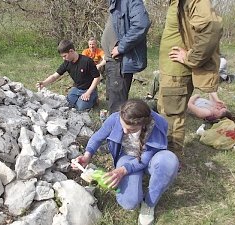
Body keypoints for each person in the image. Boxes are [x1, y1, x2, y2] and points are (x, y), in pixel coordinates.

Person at [71, 99, 179, 225]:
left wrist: (121, 171)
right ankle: (135, 192)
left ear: (143, 124)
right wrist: (87, 156)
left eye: (132, 130)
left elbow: (144, 159)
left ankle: (149, 203)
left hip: (152, 160)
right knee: (129, 202)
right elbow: (97, 137)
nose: (125, 132)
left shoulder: (157, 124)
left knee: (169, 161)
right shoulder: (115, 118)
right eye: (123, 127)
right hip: (127, 156)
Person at [157, 0, 223, 153]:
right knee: (166, 112)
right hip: (170, 71)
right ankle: (165, 155)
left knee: (172, 117)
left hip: (177, 73)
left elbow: (212, 28)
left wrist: (190, 58)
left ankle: (171, 158)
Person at [101, 0, 150, 114]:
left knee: (117, 106)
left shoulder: (130, 1)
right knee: (113, 100)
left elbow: (141, 24)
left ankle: (119, 129)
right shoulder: (116, 3)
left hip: (119, 62)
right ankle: (115, 127)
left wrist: (121, 47)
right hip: (111, 61)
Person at [36, 40, 100, 111]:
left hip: (89, 89)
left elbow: (97, 77)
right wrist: (44, 83)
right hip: (77, 88)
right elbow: (54, 76)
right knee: (68, 104)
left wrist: (88, 93)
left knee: (80, 108)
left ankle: (94, 99)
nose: (64, 58)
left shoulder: (87, 61)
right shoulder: (67, 63)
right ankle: (80, 99)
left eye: (65, 56)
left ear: (71, 51)